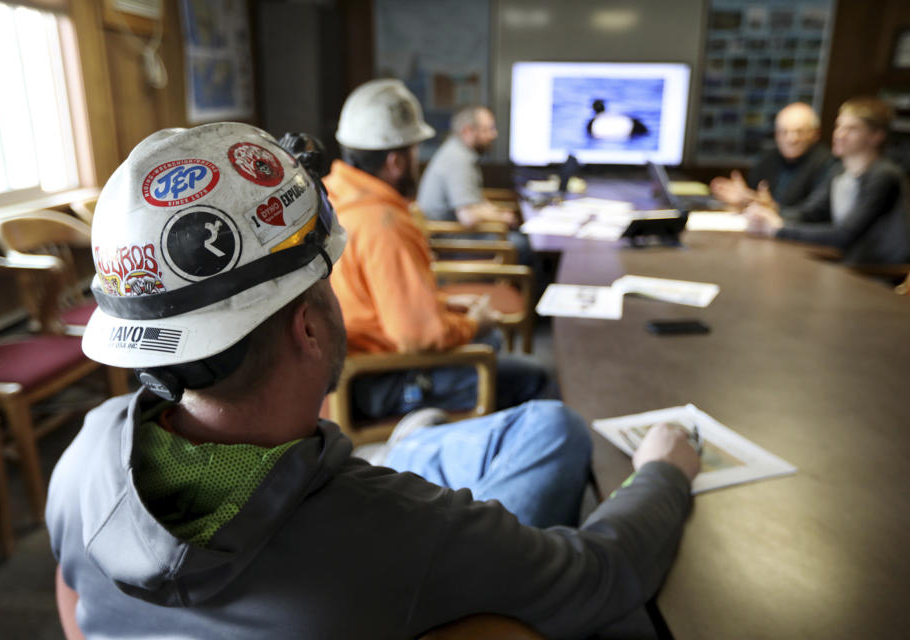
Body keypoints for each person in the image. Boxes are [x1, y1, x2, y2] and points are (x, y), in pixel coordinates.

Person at [46, 121, 700, 639]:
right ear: (307, 325)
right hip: (402, 539)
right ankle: (419, 441)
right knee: (554, 429)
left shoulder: (84, 456)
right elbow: (604, 575)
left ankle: (416, 440)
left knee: (445, 441)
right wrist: (664, 471)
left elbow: (71, 595)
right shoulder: (393, 530)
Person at [325, 80, 552, 420]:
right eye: (415, 151)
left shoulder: (334, 199)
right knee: (535, 376)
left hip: (356, 365)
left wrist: (446, 305)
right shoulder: (383, 224)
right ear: (396, 162)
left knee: (492, 345)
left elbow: (383, 299)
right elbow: (417, 337)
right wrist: (474, 324)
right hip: (381, 379)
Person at [744, 97, 910, 266]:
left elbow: (843, 235)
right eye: (839, 126)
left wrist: (778, 230)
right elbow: (810, 213)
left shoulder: (884, 176)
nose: (840, 134)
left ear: (876, 136)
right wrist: (772, 211)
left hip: (875, 272)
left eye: (852, 129)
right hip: (845, 264)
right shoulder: (839, 172)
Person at [416, 104, 535, 268]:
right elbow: (469, 216)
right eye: (488, 129)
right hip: (449, 244)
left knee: (519, 237)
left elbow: (474, 201)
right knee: (521, 244)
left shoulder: (457, 152)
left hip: (453, 234)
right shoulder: (458, 160)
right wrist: (502, 218)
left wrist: (497, 213)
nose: (494, 135)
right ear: (467, 131)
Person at [711, 102, 836, 214]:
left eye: (800, 132)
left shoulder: (827, 163)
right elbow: (755, 197)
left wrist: (773, 208)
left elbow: (812, 213)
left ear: (815, 134)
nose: (792, 139)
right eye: (784, 132)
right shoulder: (768, 158)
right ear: (776, 135)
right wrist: (743, 198)